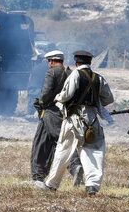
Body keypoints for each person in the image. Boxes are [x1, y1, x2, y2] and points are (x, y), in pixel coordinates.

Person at [44, 50, 114, 196]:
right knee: (93, 152)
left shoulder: (75, 74)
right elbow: (108, 99)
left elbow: (67, 94)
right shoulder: (98, 78)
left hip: (73, 119)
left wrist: (58, 98)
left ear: (76, 62)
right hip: (92, 119)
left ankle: (51, 184)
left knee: (63, 150)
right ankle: (92, 186)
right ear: (90, 62)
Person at [31, 50, 84, 190]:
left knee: (45, 143)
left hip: (50, 112)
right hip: (65, 112)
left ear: (52, 61)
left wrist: (41, 103)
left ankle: (73, 166)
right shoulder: (70, 73)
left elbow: (46, 93)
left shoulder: (52, 72)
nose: (48, 64)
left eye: (48, 61)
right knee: (53, 141)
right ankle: (40, 175)